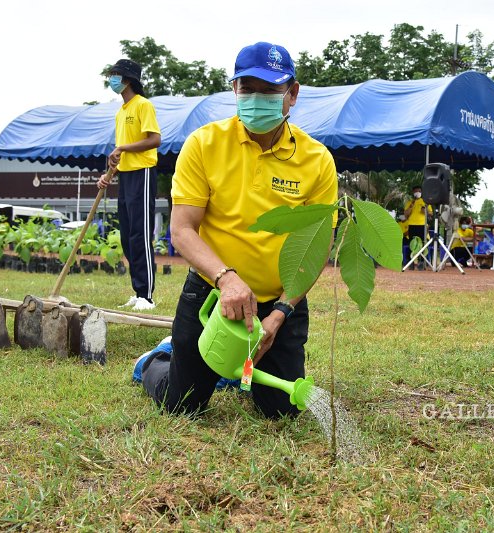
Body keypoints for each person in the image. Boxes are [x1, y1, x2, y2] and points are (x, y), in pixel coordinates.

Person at [136, 42, 338, 420]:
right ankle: (155, 361)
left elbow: (316, 249)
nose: (255, 99)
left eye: (269, 91)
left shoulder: (317, 161)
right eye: (247, 89)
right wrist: (226, 279)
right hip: (212, 293)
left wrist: (279, 313)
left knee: (280, 412)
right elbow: (182, 230)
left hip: (278, 302)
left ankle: (232, 367)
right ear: (234, 90)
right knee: (182, 405)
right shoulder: (204, 144)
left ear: (292, 94)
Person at [97, 59, 161, 311]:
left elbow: (154, 139)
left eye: (116, 75)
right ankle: (138, 292)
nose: (112, 79)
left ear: (128, 79)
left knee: (140, 234)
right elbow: (118, 153)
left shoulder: (143, 105)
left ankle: (147, 295)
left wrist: (122, 147)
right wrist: (108, 175)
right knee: (127, 236)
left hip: (143, 173)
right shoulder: (121, 112)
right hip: (125, 175)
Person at [403, 185, 432, 269]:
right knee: (412, 244)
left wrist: (425, 211)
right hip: (412, 225)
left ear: (421, 192)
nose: (417, 193)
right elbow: (406, 215)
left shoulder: (425, 201)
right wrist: (411, 206)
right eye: (416, 191)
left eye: (419, 191)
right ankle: (410, 262)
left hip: (422, 225)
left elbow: (430, 214)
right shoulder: (409, 202)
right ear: (413, 192)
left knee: (422, 243)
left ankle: (421, 262)